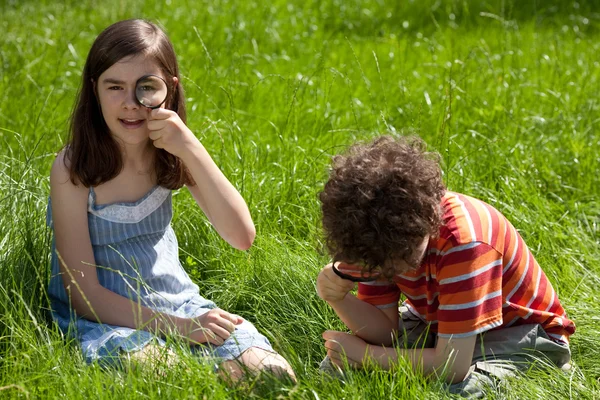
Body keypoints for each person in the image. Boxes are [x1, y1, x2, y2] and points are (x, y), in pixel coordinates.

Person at [47, 19, 295, 381]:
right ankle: (208, 372)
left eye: (145, 87)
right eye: (115, 86)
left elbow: (242, 236)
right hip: (106, 316)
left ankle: (225, 369)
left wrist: (190, 148)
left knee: (272, 373)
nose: (131, 104)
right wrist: (178, 328)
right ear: (94, 89)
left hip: (179, 302)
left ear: (170, 89)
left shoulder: (171, 150)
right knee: (168, 373)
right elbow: (83, 294)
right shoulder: (74, 169)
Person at [316, 135, 574, 397]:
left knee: (458, 390)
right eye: (382, 265)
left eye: (404, 255)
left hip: (522, 334)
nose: (396, 269)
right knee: (336, 364)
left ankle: (545, 365)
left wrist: (367, 356)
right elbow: (385, 334)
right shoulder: (373, 243)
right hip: (442, 323)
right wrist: (339, 299)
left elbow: (452, 367)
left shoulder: (465, 243)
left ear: (426, 220)